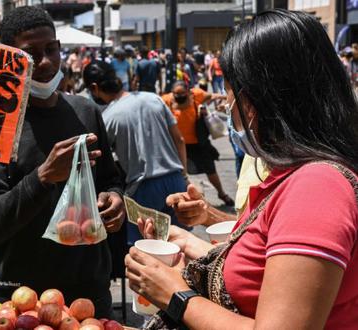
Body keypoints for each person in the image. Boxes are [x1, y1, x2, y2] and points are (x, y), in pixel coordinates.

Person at [125, 10, 358, 329]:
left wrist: (175, 296)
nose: (227, 104)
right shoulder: (296, 177)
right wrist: (184, 243)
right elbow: (261, 268)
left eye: (231, 89)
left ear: (253, 100)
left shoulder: (316, 187)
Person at [0, 6, 125, 318]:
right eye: (30, 53)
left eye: (51, 49)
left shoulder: (86, 112)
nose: (45, 62)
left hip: (88, 291)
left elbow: (111, 178)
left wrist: (116, 200)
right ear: (11, 57)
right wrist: (43, 177)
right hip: (21, 297)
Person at [83, 61, 188, 243]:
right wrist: (184, 175)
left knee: (145, 247)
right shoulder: (153, 98)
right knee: (182, 243)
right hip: (176, 181)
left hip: (143, 190)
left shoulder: (108, 118)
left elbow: (105, 160)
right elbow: (179, 139)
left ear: (94, 88)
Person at [162, 81, 234, 206]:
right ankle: (182, 199)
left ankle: (221, 193)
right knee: (179, 173)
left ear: (189, 92)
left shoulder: (196, 95)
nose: (179, 97)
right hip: (177, 145)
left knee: (210, 169)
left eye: (182, 94)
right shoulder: (166, 101)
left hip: (198, 143)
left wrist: (228, 98)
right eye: (176, 94)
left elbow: (212, 96)